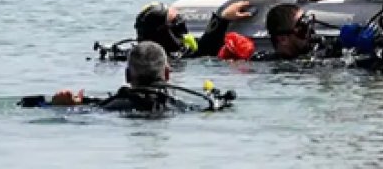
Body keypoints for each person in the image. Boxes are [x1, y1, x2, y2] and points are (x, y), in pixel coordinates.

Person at [25, 42, 236, 113]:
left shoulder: (109, 106)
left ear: (127, 76)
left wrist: (61, 105)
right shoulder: (184, 106)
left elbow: (26, 104)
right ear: (167, 73)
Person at [124, 0, 255, 60]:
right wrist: (222, 19)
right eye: (176, 23)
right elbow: (205, 51)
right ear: (164, 34)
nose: (184, 31)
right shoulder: (173, 60)